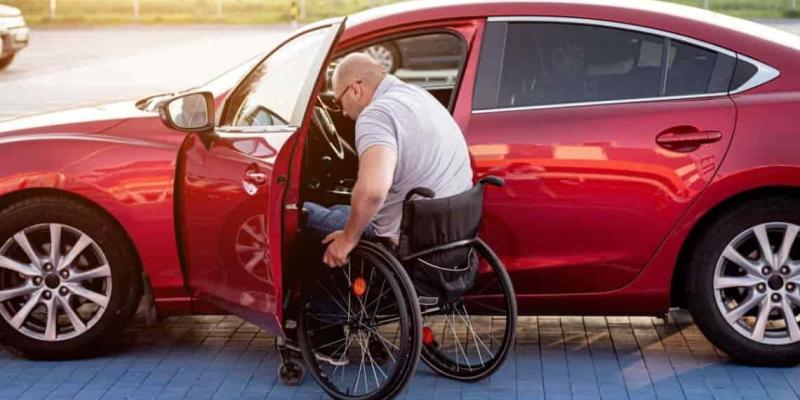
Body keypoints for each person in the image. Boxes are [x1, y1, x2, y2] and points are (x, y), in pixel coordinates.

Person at [305, 52, 473, 268]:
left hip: (405, 236)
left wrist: (348, 239)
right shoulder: (417, 95)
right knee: (339, 209)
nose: (344, 113)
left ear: (355, 89)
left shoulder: (375, 115)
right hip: (449, 226)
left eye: (339, 103)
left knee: (304, 213)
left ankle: (321, 301)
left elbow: (373, 191)